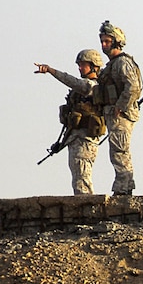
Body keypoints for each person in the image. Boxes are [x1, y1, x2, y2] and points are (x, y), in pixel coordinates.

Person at [34, 50, 106, 195]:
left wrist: (51, 70)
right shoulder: (81, 90)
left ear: (93, 66)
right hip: (76, 137)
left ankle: (86, 204)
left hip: (85, 139)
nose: (80, 68)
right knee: (78, 175)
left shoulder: (92, 87)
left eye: (83, 65)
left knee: (82, 176)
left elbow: (72, 81)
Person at [93, 20, 143, 196]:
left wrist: (119, 107)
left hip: (121, 115)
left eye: (107, 41)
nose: (103, 45)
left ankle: (123, 187)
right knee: (117, 150)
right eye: (102, 41)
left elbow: (134, 87)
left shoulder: (122, 63)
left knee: (119, 150)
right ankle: (124, 185)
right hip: (114, 114)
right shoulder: (112, 65)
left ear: (116, 41)